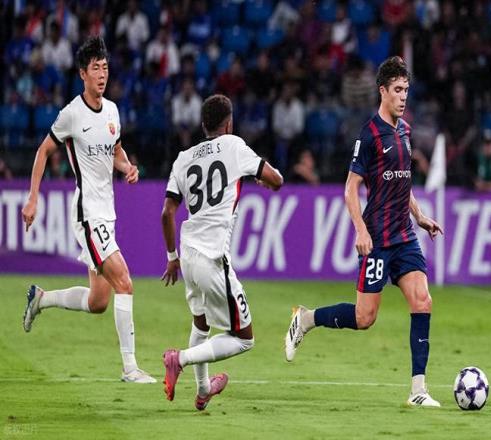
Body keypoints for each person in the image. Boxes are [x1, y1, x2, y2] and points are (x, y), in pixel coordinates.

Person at [285, 56, 443, 407]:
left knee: (423, 301)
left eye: (406, 90)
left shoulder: (405, 131)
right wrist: (360, 230)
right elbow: (350, 189)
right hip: (378, 239)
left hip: (405, 236)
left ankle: (418, 390)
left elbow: (403, 183)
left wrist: (420, 216)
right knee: (364, 317)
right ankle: (306, 319)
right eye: (398, 90)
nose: (403, 96)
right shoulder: (369, 136)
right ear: (382, 91)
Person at [21, 36, 156, 384]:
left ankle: (41, 299)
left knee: (99, 302)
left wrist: (127, 167)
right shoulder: (71, 114)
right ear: (83, 73)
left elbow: (116, 151)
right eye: (95, 68)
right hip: (87, 213)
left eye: (105, 67)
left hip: (107, 212)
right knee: (125, 282)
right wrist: (33, 198)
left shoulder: (112, 111)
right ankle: (130, 368)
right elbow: (43, 151)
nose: (102, 74)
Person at [161, 94, 283, 410]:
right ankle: (179, 359)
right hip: (213, 258)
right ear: (228, 124)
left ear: (203, 125)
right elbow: (277, 179)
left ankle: (203, 391)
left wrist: (172, 258)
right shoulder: (233, 146)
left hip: (187, 256)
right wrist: (263, 179)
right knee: (244, 337)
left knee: (201, 325)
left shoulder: (183, 158)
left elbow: (167, 213)